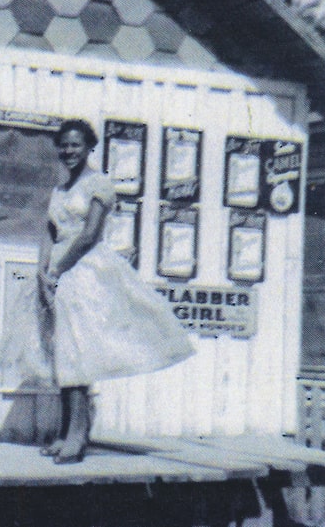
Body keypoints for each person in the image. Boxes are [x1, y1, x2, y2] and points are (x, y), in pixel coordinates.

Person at [30, 119, 195, 464]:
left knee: (78, 353)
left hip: (85, 272)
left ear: (89, 147)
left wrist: (59, 269)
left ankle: (77, 437)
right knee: (63, 353)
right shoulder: (59, 191)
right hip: (56, 273)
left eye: (75, 145)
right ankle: (65, 433)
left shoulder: (99, 184)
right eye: (63, 145)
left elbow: (89, 234)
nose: (68, 151)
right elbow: (49, 230)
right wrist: (42, 270)